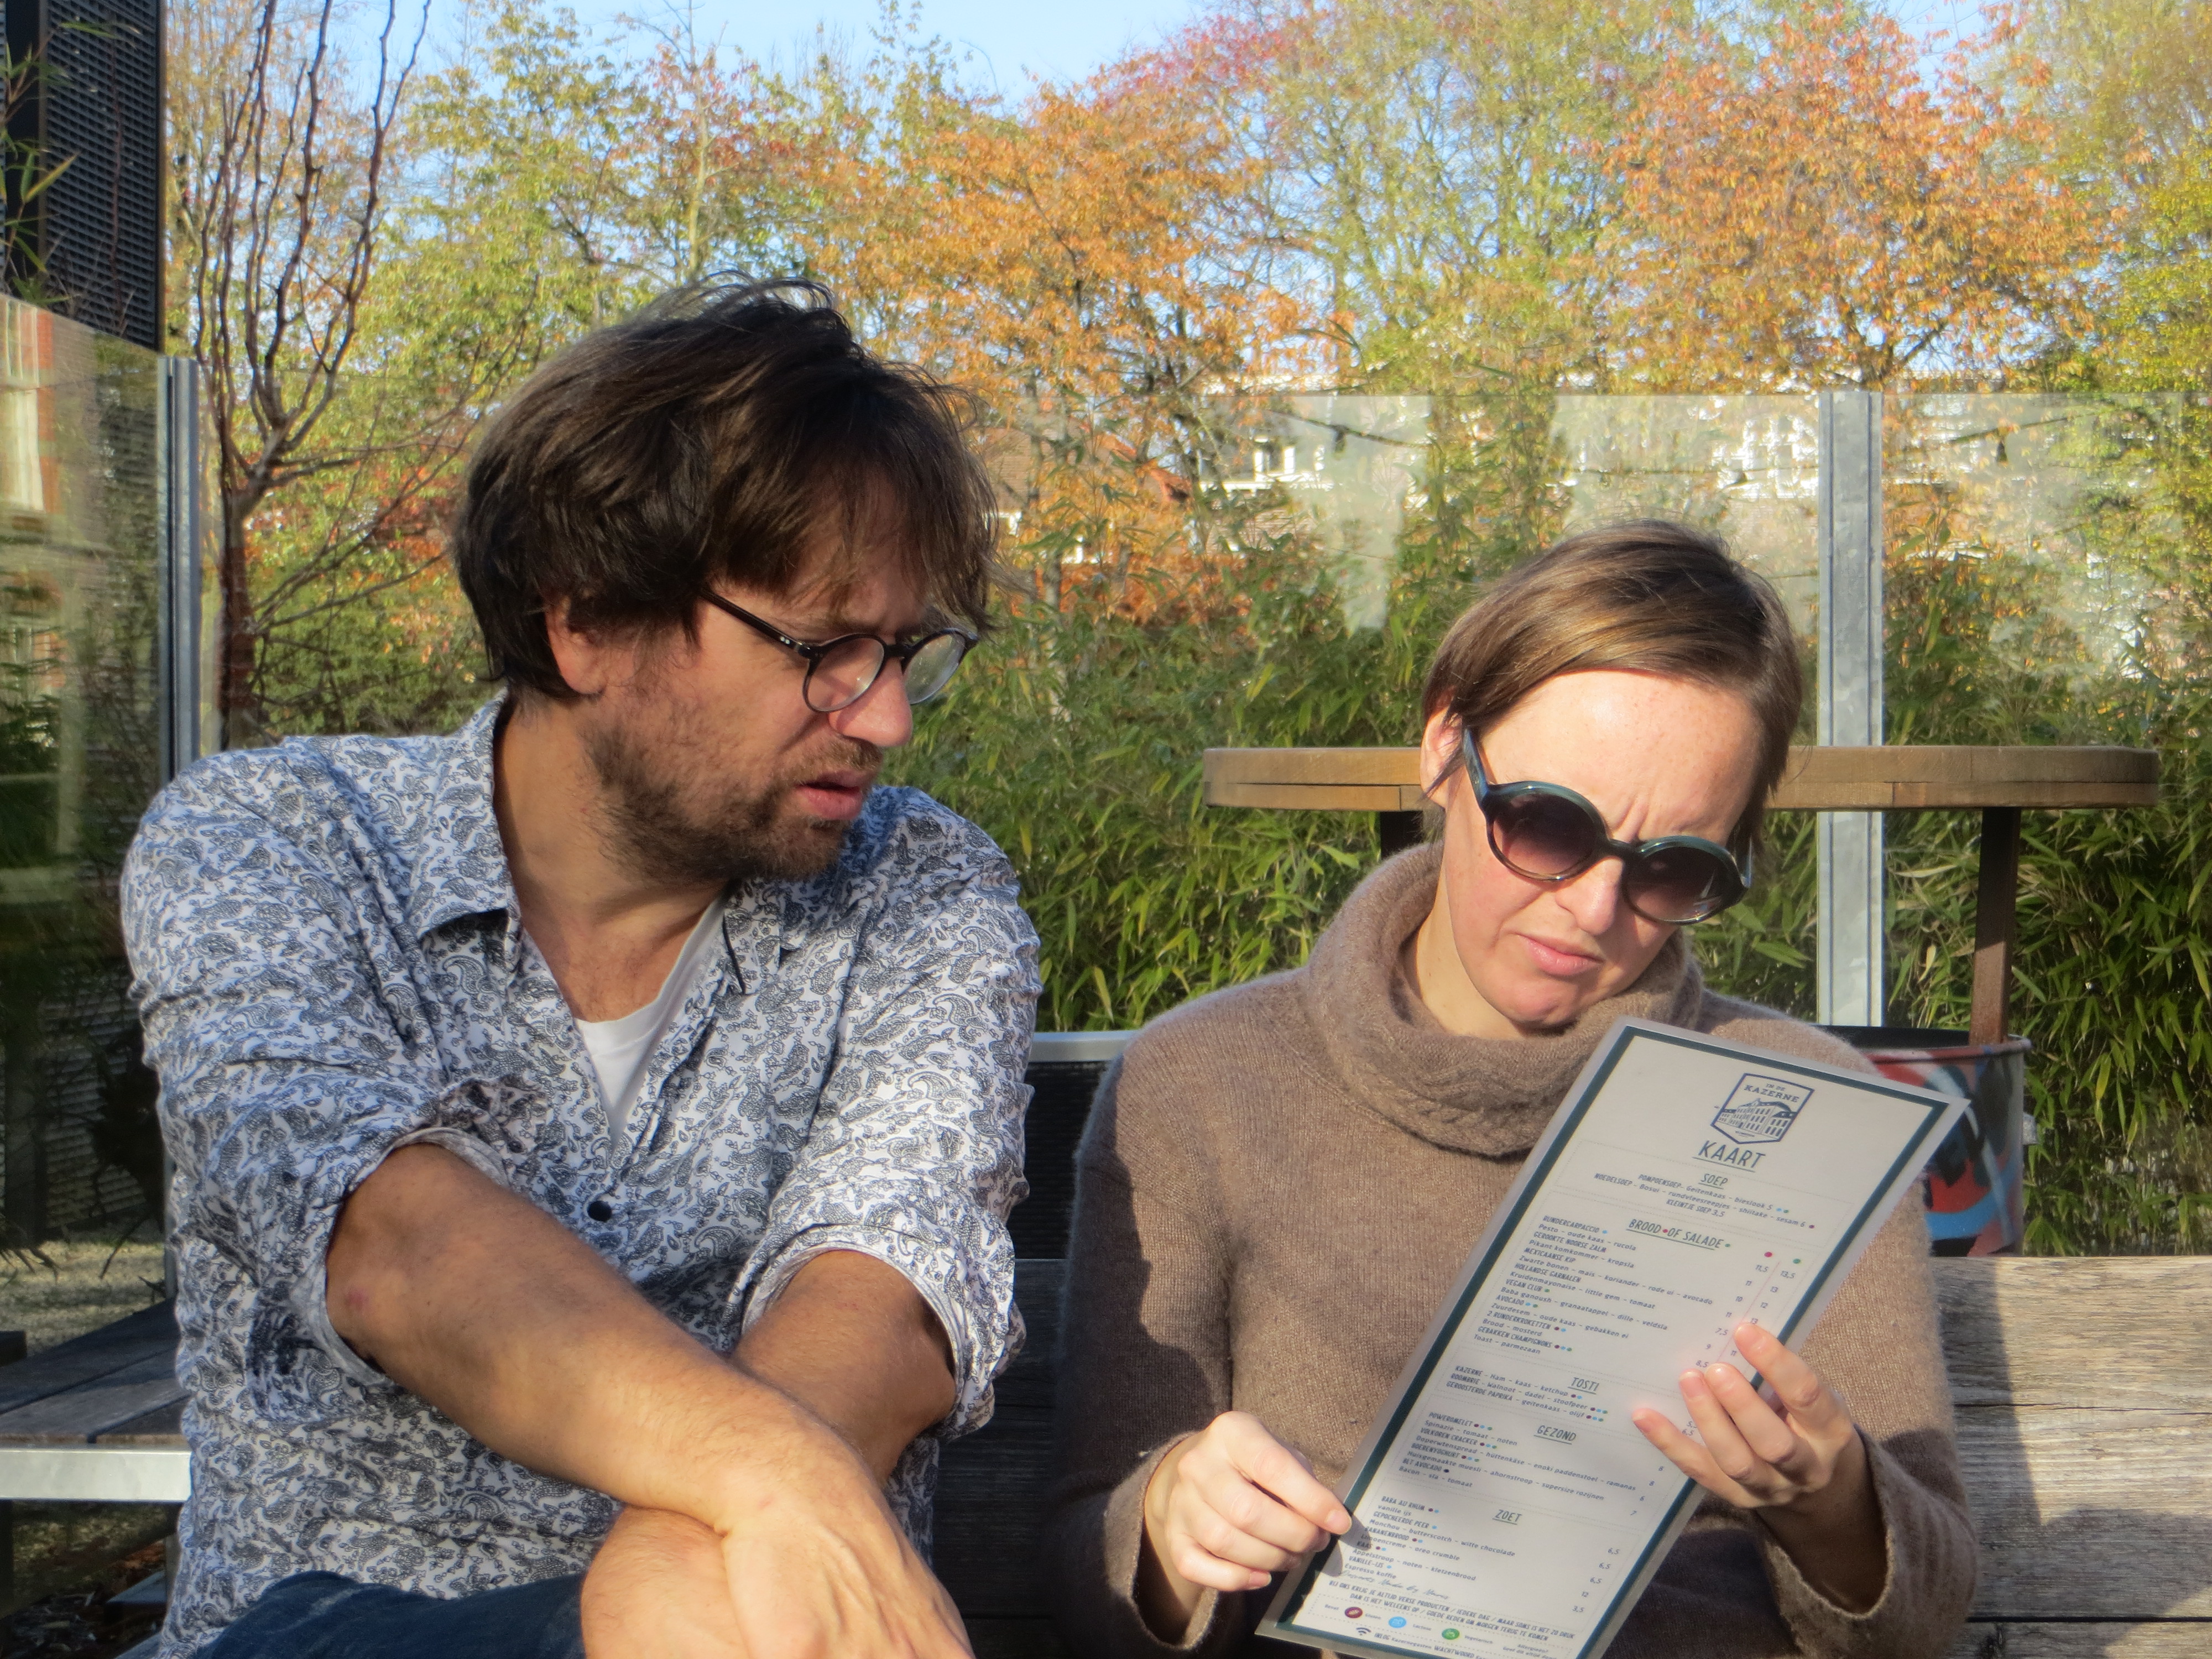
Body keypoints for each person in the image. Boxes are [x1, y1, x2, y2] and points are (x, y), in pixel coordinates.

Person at [122, 281, 1041, 1658]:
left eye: (905, 653)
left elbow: (886, 1284)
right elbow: (393, 1249)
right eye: (825, 651)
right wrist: (766, 1484)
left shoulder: (918, 887)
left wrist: (670, 1575)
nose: (887, 718)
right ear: (587, 623)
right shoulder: (277, 844)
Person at [1044, 522, 1978, 1659]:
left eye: (1674, 867)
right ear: (1445, 746)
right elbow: (1087, 1579)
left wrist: (1830, 1501)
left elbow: (1925, 1611)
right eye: (1547, 823)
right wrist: (1167, 1517)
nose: (1593, 910)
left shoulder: (1806, 1110)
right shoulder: (1203, 1083)